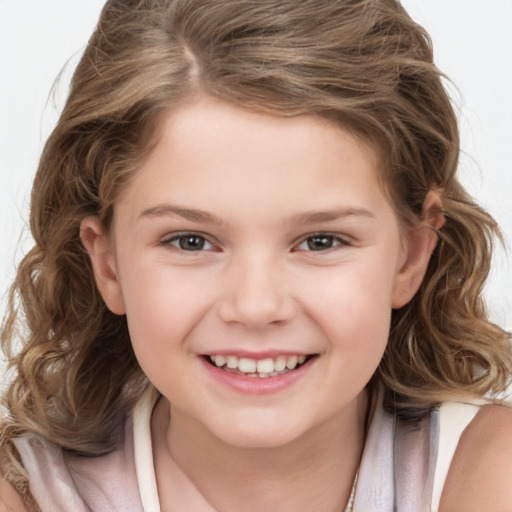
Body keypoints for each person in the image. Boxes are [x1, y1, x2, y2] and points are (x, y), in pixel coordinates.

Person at [1, 0, 511, 510]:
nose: (255, 306)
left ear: (410, 256)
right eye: (190, 241)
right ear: (108, 263)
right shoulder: (23, 495)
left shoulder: (491, 473)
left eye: (321, 241)